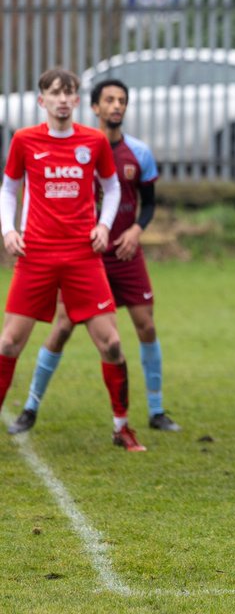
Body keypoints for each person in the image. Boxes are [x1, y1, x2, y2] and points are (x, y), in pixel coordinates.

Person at [7, 79, 181, 436]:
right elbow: (10, 187)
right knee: (48, 332)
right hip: (57, 253)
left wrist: (123, 228)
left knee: (137, 329)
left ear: (75, 100)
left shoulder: (126, 150)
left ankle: (149, 413)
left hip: (110, 253)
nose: (117, 106)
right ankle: (30, 406)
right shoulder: (34, 140)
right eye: (110, 100)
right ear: (95, 107)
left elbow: (131, 194)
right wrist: (9, 229)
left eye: (122, 100)